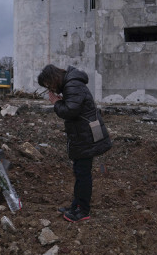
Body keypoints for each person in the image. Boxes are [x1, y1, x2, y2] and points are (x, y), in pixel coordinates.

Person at [38, 64, 112, 223]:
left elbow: (70, 111)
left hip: (85, 136)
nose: (50, 88)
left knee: (83, 173)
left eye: (48, 85)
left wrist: (56, 103)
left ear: (53, 79)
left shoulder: (72, 84)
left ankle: (83, 210)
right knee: (79, 172)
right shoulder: (72, 84)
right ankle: (75, 206)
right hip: (82, 135)